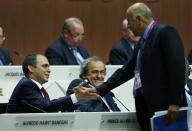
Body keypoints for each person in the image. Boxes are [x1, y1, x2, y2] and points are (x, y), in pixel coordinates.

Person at [85, 3, 186, 131]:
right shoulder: (141, 42)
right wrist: (99, 89)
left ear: (138, 20)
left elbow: (176, 67)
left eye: (129, 21)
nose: (129, 26)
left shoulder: (165, 32)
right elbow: (126, 71)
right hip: (145, 106)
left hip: (165, 107)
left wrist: (175, 102)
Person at [6, 54, 97, 113]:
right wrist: (76, 96)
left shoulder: (38, 88)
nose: (49, 70)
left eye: (49, 67)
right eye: (45, 66)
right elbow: (46, 107)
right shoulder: (26, 85)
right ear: (31, 68)